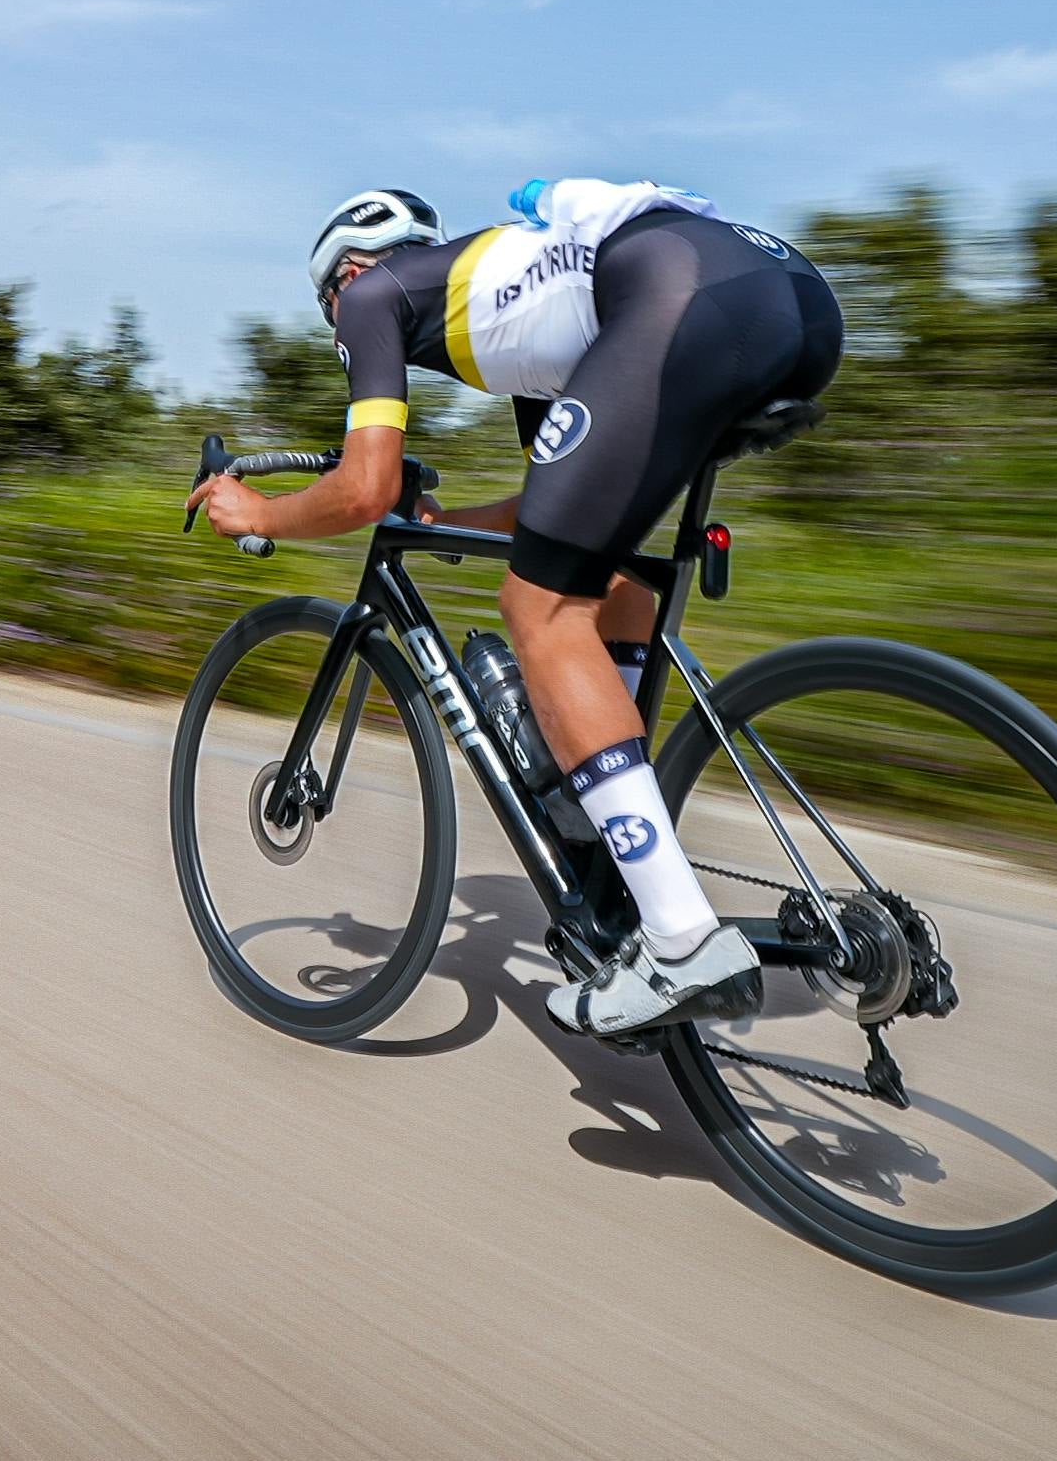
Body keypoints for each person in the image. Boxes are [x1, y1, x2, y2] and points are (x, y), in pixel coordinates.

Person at [187, 179, 845, 1038]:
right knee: (600, 575)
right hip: (788, 299)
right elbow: (553, 499)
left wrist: (257, 513)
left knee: (538, 608)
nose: (341, 325)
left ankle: (682, 942)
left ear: (348, 268)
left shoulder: (373, 294)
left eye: (328, 309)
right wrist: (447, 523)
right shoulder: (526, 300)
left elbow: (364, 484)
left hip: (683, 293)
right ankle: (613, 830)